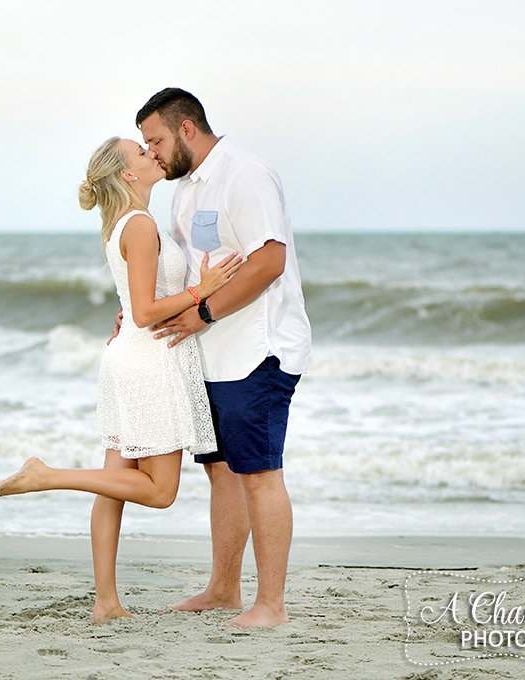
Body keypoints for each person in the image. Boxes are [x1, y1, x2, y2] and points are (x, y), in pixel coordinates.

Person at [0, 136, 242, 624]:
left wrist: (143, 308)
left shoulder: (124, 223)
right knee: (160, 491)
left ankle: (106, 604)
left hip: (131, 360)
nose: (152, 155)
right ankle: (46, 476)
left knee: (114, 486)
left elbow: (132, 302)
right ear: (127, 174)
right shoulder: (140, 225)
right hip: (149, 364)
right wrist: (200, 291)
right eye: (141, 154)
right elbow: (145, 312)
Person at [135, 88, 311, 628]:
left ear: (187, 129)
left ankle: (271, 605)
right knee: (222, 473)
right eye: (146, 145)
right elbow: (192, 272)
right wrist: (145, 311)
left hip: (257, 351)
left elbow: (269, 261)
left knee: (259, 473)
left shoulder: (245, 175)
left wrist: (205, 314)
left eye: (156, 140)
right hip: (209, 356)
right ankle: (224, 589)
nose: (153, 153)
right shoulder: (185, 190)